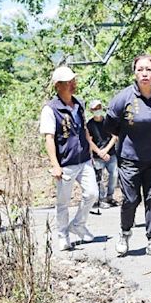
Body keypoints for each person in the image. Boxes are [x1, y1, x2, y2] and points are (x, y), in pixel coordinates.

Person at [104, 54, 151, 257]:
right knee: (131, 199)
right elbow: (110, 125)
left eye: (148, 69)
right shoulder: (123, 98)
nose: (144, 74)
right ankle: (125, 233)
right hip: (129, 160)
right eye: (140, 70)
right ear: (134, 73)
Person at [39, 66, 99, 251]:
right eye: (68, 82)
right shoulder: (51, 109)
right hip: (65, 163)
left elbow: (84, 130)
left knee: (92, 194)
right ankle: (63, 234)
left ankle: (78, 224)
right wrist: (55, 165)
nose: (73, 84)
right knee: (63, 202)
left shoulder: (79, 103)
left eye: (73, 80)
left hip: (84, 159)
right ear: (58, 86)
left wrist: (91, 150)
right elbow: (49, 138)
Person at [87, 99, 119, 209]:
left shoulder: (107, 121)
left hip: (111, 154)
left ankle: (110, 197)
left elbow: (114, 137)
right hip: (97, 156)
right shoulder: (90, 125)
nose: (98, 110)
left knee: (114, 175)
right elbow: (89, 141)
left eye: (99, 107)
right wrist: (99, 152)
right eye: (95, 108)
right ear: (91, 110)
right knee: (99, 178)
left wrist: (106, 150)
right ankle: (102, 199)